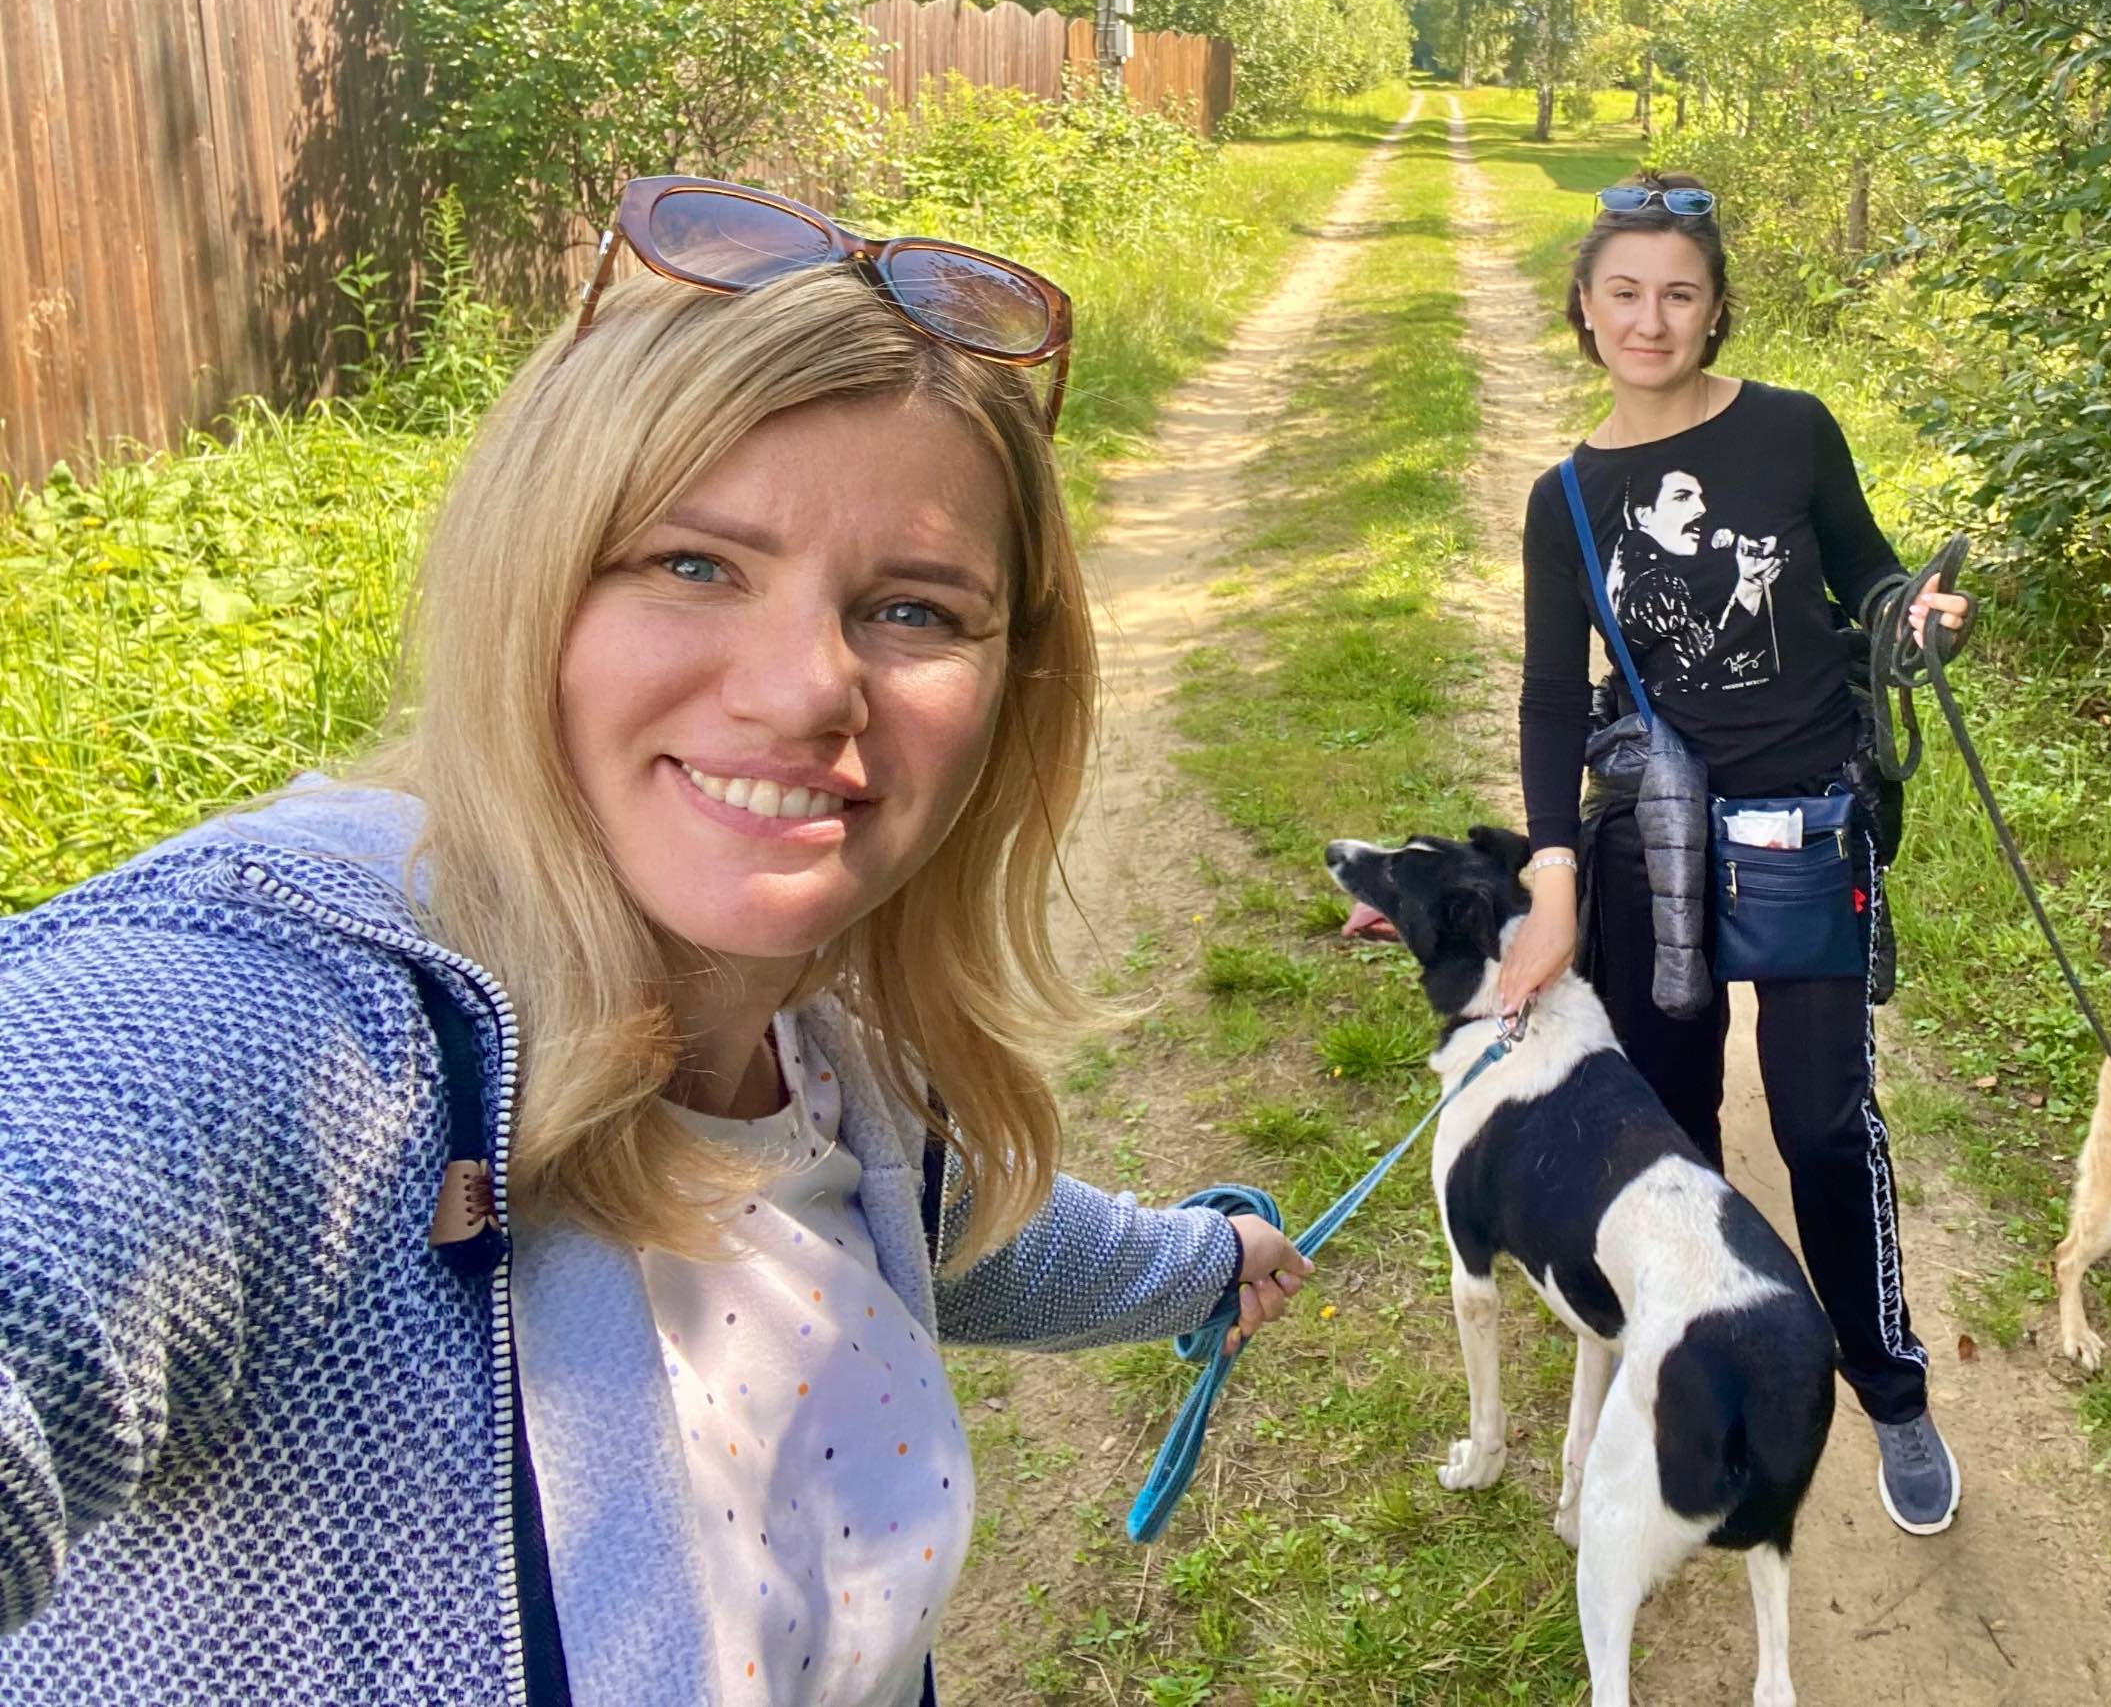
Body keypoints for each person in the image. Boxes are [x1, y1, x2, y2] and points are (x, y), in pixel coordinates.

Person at [0, 177, 1311, 1705]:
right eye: (695, 564)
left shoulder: (828, 1062)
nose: (806, 687)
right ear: (535, 584)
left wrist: (1206, 1261)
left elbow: (959, 1234)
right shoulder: (279, 1026)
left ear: (1010, 685)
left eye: (913, 610)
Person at [1503, 176, 1971, 1537]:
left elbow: (1867, 573)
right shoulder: (1565, 501)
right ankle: (1709, 1384)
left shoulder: (1792, 430)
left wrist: (1909, 614)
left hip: (1810, 826)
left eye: (1680, 294)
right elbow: (1551, 700)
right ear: (1585, 307)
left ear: (1716, 310)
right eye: (1626, 293)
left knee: (1824, 1123)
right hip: (1651, 848)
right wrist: (1551, 877)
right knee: (1675, 1134)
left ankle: (1890, 1391)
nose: (1652, 320)